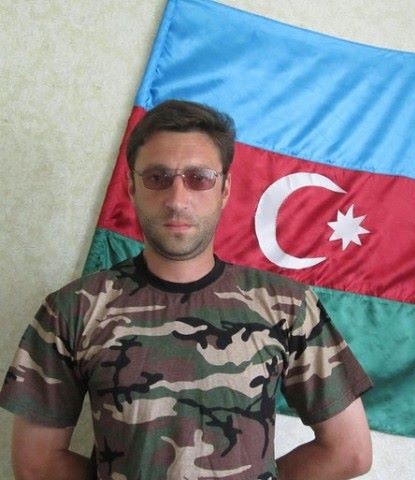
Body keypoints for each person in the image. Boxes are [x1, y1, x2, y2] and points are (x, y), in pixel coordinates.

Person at [0, 100, 373, 480]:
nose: (177, 200)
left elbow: (349, 452)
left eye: (199, 178)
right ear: (131, 186)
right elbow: (36, 464)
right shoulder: (74, 309)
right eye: (157, 177)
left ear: (225, 188)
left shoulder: (287, 306)